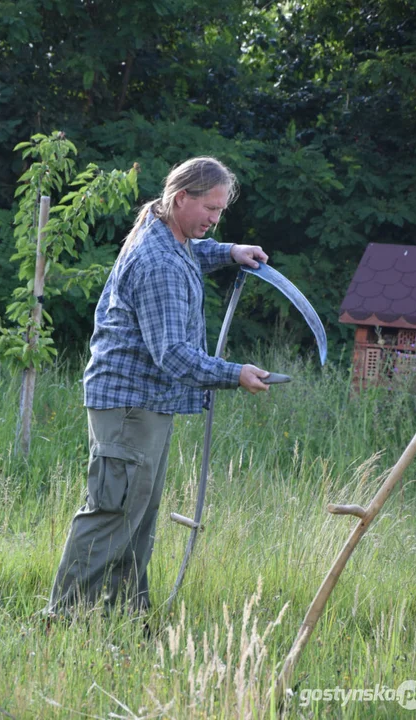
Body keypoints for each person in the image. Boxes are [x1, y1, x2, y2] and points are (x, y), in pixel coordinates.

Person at [46, 156, 271, 619]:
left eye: (221, 211)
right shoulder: (157, 263)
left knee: (136, 517)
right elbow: (171, 354)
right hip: (130, 406)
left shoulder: (169, 235)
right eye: (210, 207)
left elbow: (190, 254)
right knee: (112, 514)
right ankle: (62, 620)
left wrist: (229, 251)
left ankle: (123, 618)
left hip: (144, 404)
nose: (214, 217)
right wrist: (234, 373)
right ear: (181, 197)